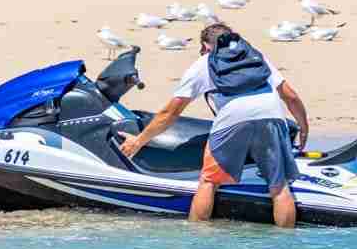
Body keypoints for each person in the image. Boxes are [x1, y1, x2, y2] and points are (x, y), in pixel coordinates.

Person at [118, 23, 310, 228]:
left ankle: (198, 237)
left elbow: (170, 112)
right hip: (271, 116)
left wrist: (138, 142)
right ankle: (284, 244)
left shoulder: (204, 64)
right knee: (279, 187)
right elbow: (290, 96)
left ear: (206, 46)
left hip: (232, 120)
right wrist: (303, 126)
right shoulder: (256, 57)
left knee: (209, 182)